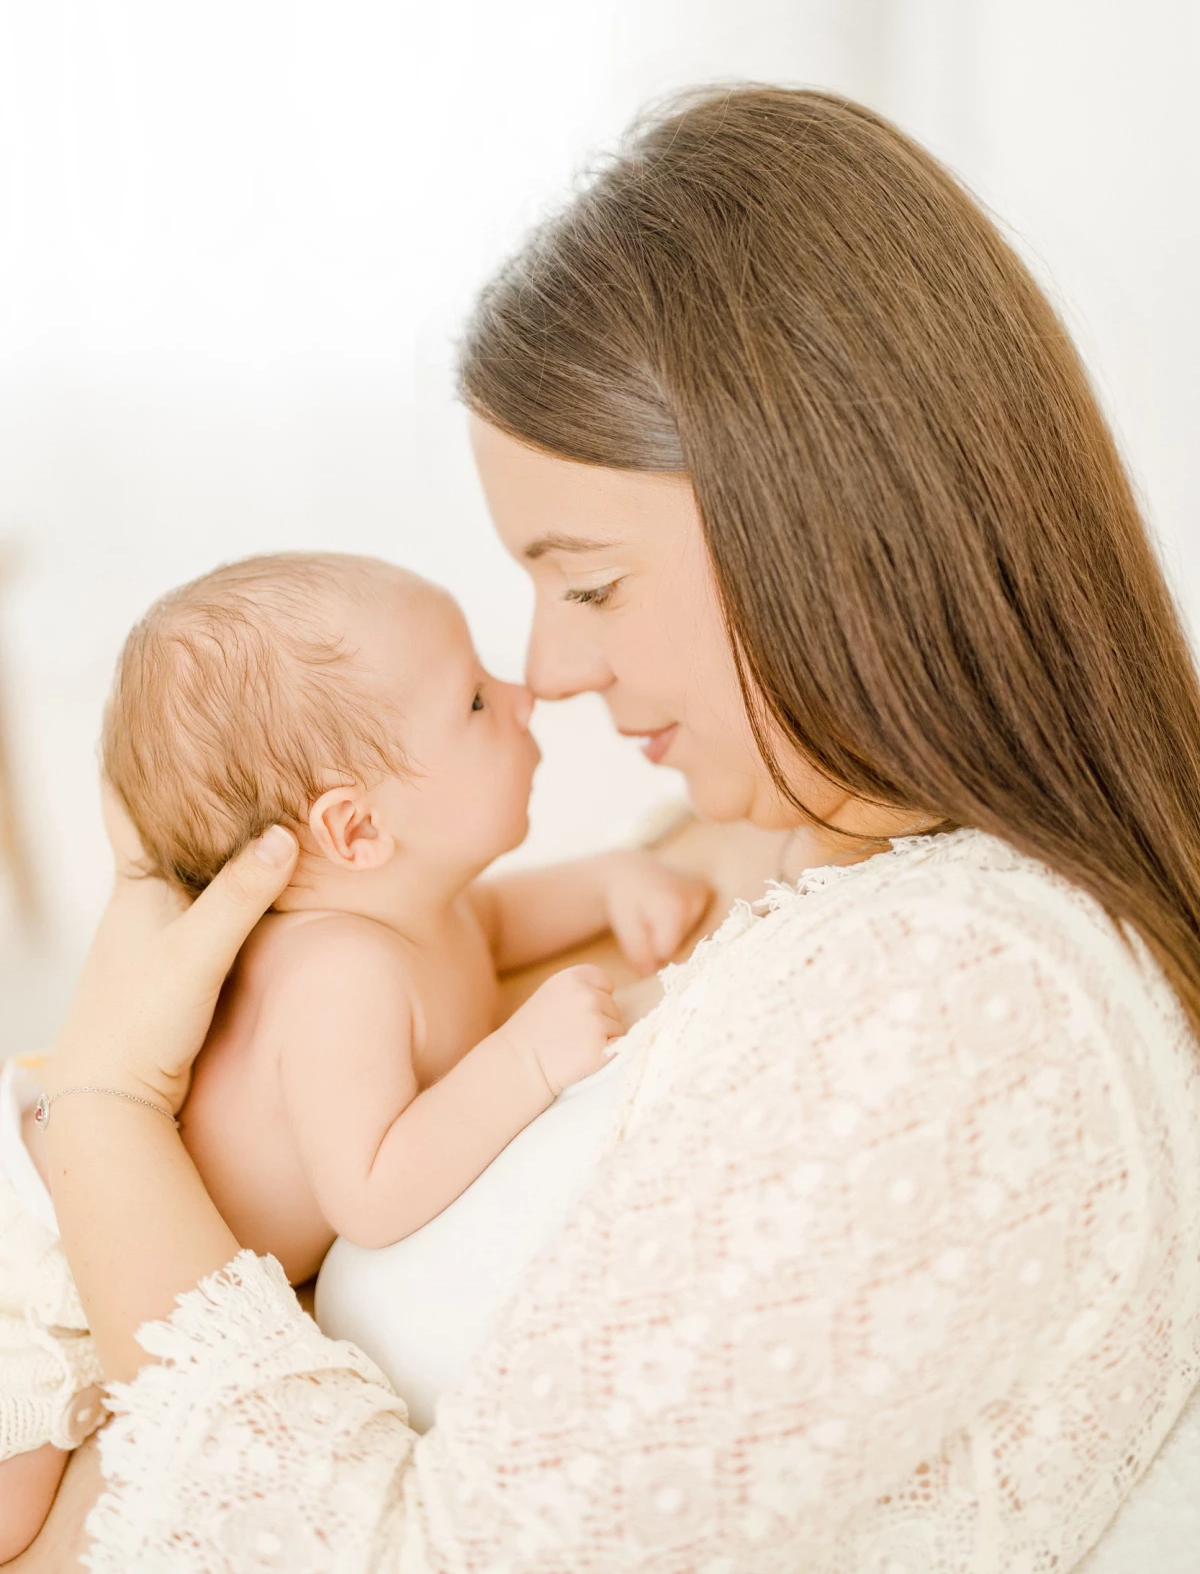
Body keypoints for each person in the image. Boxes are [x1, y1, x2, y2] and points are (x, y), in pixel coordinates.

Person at [26, 88, 1200, 1570]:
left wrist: (110, 1118)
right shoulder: (786, 890)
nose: (555, 672)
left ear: (826, 525)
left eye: (587, 587)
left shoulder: (951, 999)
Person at [0, 553, 710, 1561]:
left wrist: (610, 882)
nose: (521, 694)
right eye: (472, 699)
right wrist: (527, 1061)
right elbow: (371, 1191)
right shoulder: (342, 974)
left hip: (110, 1224)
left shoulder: (416, 913)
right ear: (356, 826)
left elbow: (494, 926)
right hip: (43, 1258)